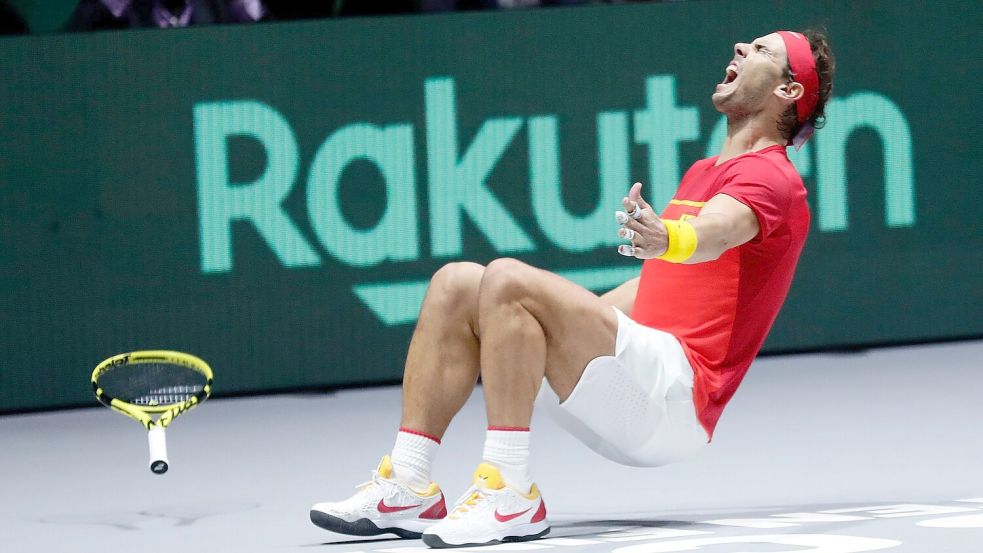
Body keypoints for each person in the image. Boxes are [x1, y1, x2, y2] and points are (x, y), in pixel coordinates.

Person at [311, 29, 835, 548]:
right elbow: (661, 286)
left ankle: (510, 491)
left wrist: (670, 236)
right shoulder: (705, 170)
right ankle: (408, 481)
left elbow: (716, 232)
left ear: (788, 92)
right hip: (631, 380)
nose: (741, 47)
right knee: (457, 284)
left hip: (675, 399)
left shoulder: (772, 179)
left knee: (509, 278)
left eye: (762, 50)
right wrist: (549, 327)